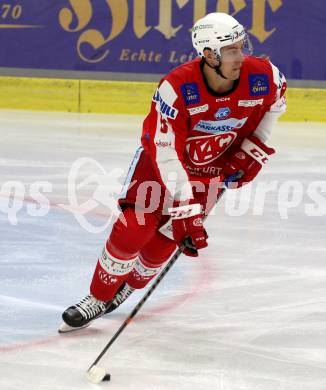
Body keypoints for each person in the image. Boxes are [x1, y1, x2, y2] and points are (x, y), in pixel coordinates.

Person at [59, 12, 286, 333]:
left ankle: (128, 288)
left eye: (241, 47)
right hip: (159, 166)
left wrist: (255, 148)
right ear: (209, 55)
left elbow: (275, 105)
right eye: (232, 50)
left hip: (210, 171)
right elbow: (164, 150)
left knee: (166, 241)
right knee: (134, 228)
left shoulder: (264, 76)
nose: (241, 56)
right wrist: (186, 207)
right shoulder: (177, 87)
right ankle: (97, 297)